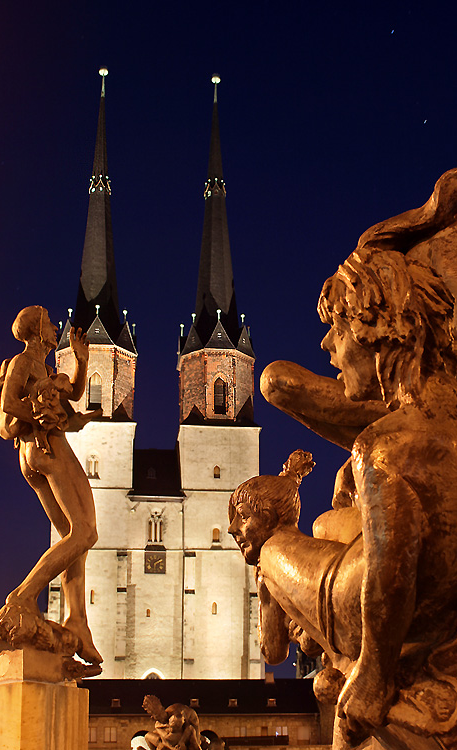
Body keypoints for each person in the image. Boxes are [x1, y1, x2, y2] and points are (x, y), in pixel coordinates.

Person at [231, 249, 457, 746]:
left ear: (374, 331)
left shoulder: (383, 447)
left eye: (338, 327)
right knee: (328, 524)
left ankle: (280, 629)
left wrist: (374, 676)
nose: (327, 343)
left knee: (269, 545)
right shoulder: (444, 413)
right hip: (438, 606)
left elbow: (388, 577)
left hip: (356, 607)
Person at [0, 305, 102, 666]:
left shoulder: (46, 369)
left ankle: (77, 620)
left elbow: (74, 390)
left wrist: (81, 361)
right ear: (38, 330)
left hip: (36, 454)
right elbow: (9, 403)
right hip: (46, 448)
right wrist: (41, 417)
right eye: (51, 324)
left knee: (72, 536)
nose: (56, 329)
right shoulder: (24, 361)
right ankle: (24, 596)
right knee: (85, 532)